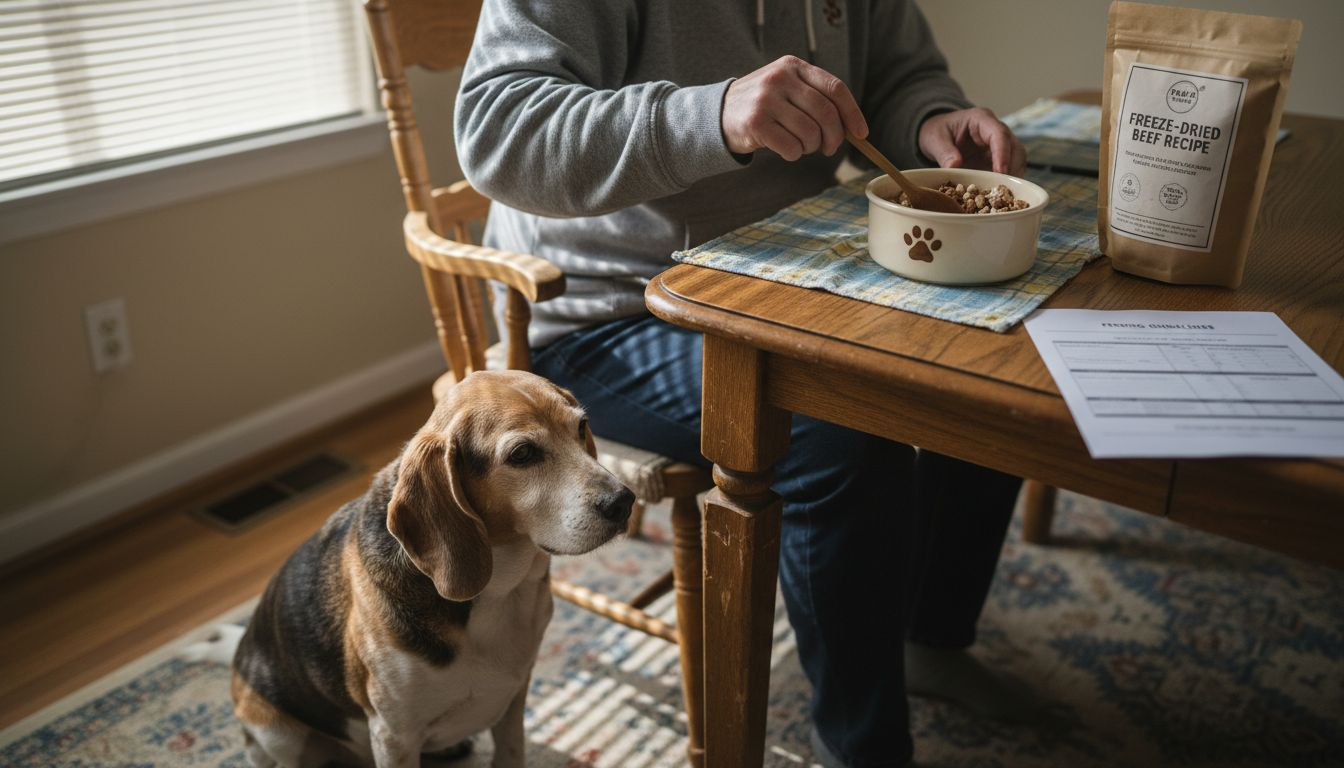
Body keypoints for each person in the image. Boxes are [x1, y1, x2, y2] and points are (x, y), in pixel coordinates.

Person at [455, 2, 1034, 766]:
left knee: (982, 368)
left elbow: (896, 76)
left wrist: (930, 119)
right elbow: (499, 131)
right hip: (608, 308)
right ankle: (864, 747)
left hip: (784, 271)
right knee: (839, 437)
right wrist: (713, 114)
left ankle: (928, 634)